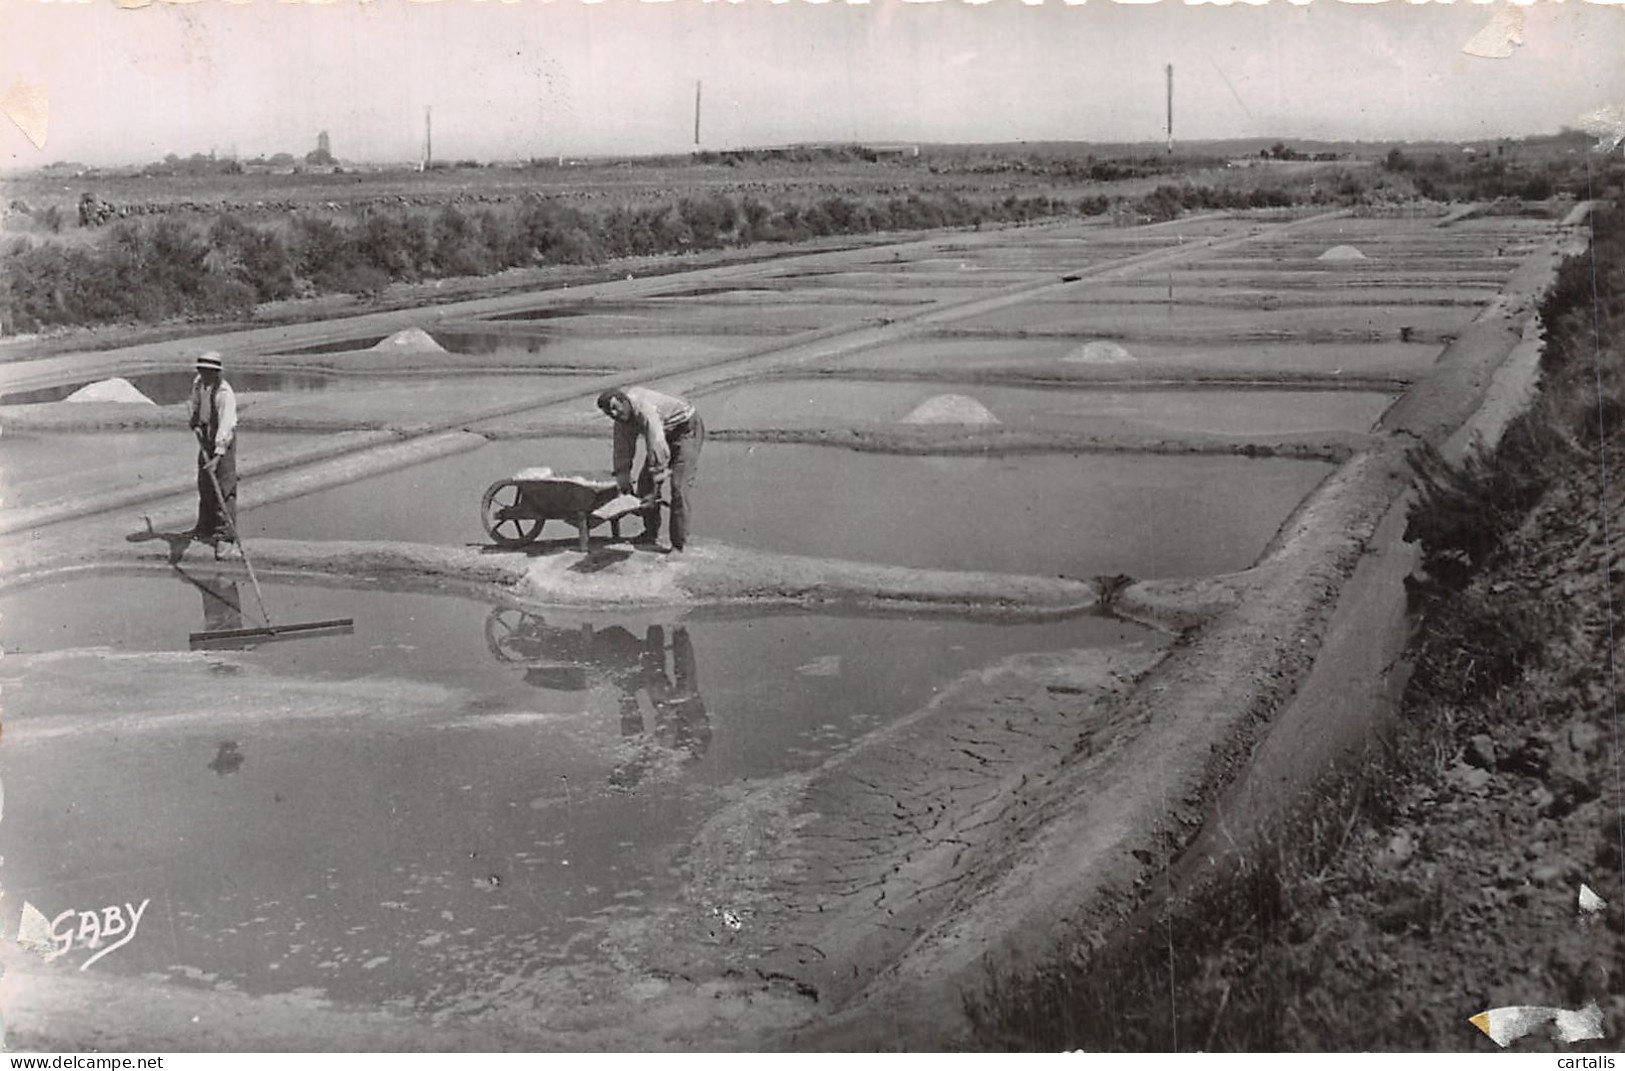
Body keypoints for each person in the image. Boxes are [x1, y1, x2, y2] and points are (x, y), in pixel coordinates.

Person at [596, 386, 704, 552]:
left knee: (679, 487)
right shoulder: (621, 421)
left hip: (686, 429)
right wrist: (623, 480)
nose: (615, 414)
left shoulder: (645, 411)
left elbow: (657, 445)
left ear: (625, 402)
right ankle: (650, 533)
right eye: (609, 413)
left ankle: (678, 544)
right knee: (644, 484)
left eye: (615, 408)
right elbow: (622, 452)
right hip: (665, 432)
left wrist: (657, 483)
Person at [186, 351, 240, 560]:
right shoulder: (199, 383)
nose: (205, 374)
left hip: (223, 441)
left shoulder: (225, 393)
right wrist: (196, 421)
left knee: (224, 486)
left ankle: (226, 537)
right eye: (202, 371)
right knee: (205, 482)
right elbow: (196, 404)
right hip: (207, 434)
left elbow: (226, 425)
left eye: (210, 372)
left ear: (217, 373)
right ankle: (205, 528)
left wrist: (218, 455)